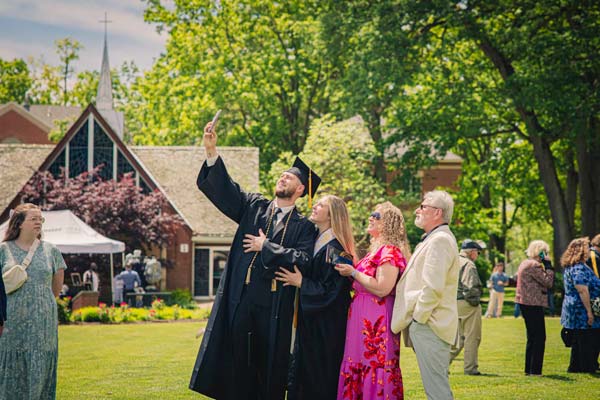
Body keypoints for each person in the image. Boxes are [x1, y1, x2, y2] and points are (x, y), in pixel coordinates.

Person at [189, 120, 317, 400]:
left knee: (267, 366)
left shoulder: (305, 227)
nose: (282, 178)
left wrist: (265, 246)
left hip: (274, 305)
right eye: (281, 175)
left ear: (300, 190)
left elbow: (303, 259)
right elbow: (226, 190)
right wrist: (212, 152)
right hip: (241, 299)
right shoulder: (254, 207)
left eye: (289, 177)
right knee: (236, 364)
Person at [275, 195, 355, 400]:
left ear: (332, 215)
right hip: (311, 321)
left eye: (321, 205)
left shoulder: (337, 249)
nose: (314, 206)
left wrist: (302, 283)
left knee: (319, 375)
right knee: (303, 373)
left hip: (327, 326)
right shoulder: (317, 240)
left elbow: (334, 292)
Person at [335, 201, 410, 399]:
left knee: (374, 365)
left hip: (377, 322)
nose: (370, 218)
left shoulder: (390, 252)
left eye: (375, 215)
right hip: (360, 318)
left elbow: (383, 287)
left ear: (388, 223)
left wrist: (353, 272)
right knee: (357, 363)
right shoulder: (375, 251)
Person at [392, 190, 459, 400]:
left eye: (423, 207)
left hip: (430, 324)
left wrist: (419, 319)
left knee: (437, 391)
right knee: (435, 388)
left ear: (437, 213)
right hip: (428, 324)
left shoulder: (440, 240)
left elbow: (433, 287)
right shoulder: (435, 238)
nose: (417, 211)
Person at [0, 203, 67, 399]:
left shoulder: (51, 250)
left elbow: (55, 287)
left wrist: (40, 305)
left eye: (41, 219)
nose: (39, 223)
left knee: (41, 360)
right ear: (19, 224)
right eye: (33, 219)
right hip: (11, 321)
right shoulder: (3, 250)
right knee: (11, 361)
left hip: (43, 322)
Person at [515, 239, 554, 376]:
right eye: (546, 252)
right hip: (533, 303)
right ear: (541, 253)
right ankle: (535, 370)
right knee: (539, 337)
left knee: (532, 337)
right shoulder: (534, 265)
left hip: (525, 303)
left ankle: (529, 369)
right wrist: (549, 267)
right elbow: (548, 282)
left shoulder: (525, 263)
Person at [560, 237, 600, 372]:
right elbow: (582, 290)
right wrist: (589, 311)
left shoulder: (574, 266)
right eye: (587, 248)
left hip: (576, 306)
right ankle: (586, 366)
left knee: (580, 339)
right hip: (580, 308)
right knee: (585, 338)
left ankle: (576, 366)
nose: (589, 251)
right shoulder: (578, 268)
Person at [450, 239, 484, 375]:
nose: (478, 255)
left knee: (457, 339)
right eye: (478, 252)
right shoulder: (468, 264)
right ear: (472, 252)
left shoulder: (452, 260)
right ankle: (470, 368)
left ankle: (441, 364)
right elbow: (470, 287)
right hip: (466, 303)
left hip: (453, 303)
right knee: (472, 337)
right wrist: (475, 302)